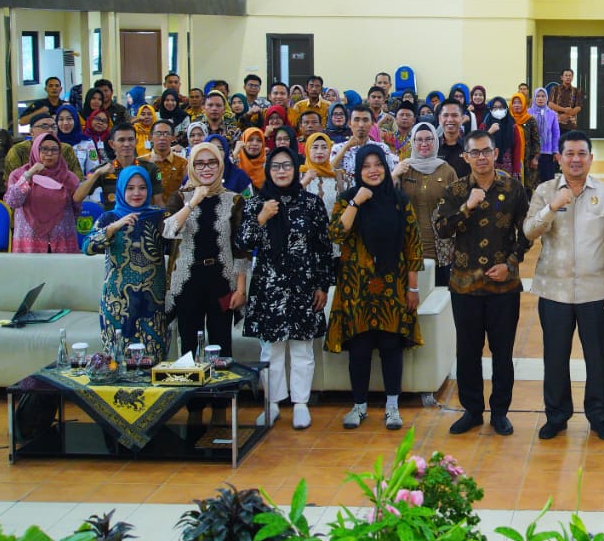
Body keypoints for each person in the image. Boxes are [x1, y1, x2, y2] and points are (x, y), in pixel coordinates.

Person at [524, 130, 604, 442]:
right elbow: (529, 231)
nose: (576, 159)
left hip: (595, 291)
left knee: (597, 357)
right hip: (554, 290)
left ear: (591, 158)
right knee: (555, 357)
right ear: (559, 158)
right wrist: (552, 207)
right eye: (570, 154)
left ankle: (599, 415)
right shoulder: (545, 191)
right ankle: (556, 416)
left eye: (582, 154)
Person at [432, 130, 531, 436]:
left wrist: (510, 264)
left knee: (502, 353)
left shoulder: (513, 188)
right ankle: (472, 410)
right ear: (465, 157)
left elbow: (527, 233)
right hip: (465, 287)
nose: (481, 157)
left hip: (504, 287)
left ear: (495, 153)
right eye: (474, 152)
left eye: (486, 151)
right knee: (468, 353)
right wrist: (467, 207)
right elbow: (442, 229)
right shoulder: (456, 190)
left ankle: (500, 412)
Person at [328, 145, 423, 431]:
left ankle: (392, 407)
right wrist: (356, 202)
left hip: (392, 285)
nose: (373, 170)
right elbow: (336, 234)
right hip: (356, 287)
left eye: (378, 164)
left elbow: (412, 246)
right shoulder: (346, 199)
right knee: (359, 349)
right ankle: (359, 406)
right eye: (366, 166)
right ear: (358, 170)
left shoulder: (399, 201)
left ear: (385, 166)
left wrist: (413, 288)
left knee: (391, 347)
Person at [237, 145, 332, 430]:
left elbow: (323, 249)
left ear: (295, 169)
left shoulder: (311, 204)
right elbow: (243, 243)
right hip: (269, 287)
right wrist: (262, 217)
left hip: (304, 286)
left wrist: (322, 285)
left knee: (302, 349)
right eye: (276, 166)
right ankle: (273, 404)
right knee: (271, 350)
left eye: (287, 165)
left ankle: (301, 403)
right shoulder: (257, 202)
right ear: (268, 170)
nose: (281, 171)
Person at [162, 142, 250, 420]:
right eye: (199, 163)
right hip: (187, 280)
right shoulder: (180, 197)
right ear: (191, 166)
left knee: (221, 343)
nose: (206, 168)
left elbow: (240, 248)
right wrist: (193, 201)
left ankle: (221, 409)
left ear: (220, 165)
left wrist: (241, 288)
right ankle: (194, 409)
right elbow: (168, 231)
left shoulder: (234, 200)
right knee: (188, 342)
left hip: (221, 280)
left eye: (211, 162)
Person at [83, 166, 169, 362]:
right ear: (121, 190)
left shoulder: (159, 217)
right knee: (118, 364)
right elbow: (87, 247)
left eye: (142, 188)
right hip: (117, 304)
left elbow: (177, 244)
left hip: (153, 304)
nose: (136, 193)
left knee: (153, 363)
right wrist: (114, 227)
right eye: (130, 188)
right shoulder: (109, 218)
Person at [399, 122, 455, 288]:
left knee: (439, 295)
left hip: (440, 248)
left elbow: (457, 209)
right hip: (408, 245)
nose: (424, 144)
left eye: (429, 139)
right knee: (411, 293)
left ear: (436, 141)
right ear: (413, 142)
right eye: (419, 140)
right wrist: (394, 175)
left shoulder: (447, 171)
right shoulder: (404, 169)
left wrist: (455, 243)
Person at [3, 134, 81, 253]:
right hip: (30, 240)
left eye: (54, 150)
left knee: (63, 265)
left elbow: (77, 208)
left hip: (61, 239)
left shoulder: (69, 178)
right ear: (35, 150)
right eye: (44, 149)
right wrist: (29, 175)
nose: (49, 153)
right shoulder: (19, 175)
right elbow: (13, 201)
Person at [78, 122, 163, 212]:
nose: (126, 144)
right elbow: (77, 197)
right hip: (113, 219)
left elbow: (158, 202)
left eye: (130, 139)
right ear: (112, 144)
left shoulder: (150, 168)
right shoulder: (103, 169)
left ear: (136, 142)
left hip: (142, 217)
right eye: (121, 140)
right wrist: (96, 174)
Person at [331, 106, 400, 192]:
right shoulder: (338, 148)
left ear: (372, 124)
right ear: (349, 123)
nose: (361, 125)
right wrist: (346, 147)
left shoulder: (382, 148)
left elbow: (390, 175)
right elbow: (329, 171)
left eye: (365, 120)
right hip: (346, 197)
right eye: (356, 120)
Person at [3, 112, 83, 180]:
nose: (50, 130)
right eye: (44, 126)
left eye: (54, 127)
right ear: (31, 132)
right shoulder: (19, 150)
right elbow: (12, 181)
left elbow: (77, 178)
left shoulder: (65, 149)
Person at [141, 120, 188, 201]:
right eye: (158, 133)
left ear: (173, 138)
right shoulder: (141, 162)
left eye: (166, 134)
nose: (162, 138)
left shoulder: (182, 163)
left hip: (174, 208)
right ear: (150, 137)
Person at [55, 103, 99, 175]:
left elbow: (93, 169)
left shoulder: (87, 142)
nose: (65, 123)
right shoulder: (53, 142)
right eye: (61, 119)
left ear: (75, 120)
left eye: (69, 119)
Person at [529, 87, 560, 184]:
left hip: (547, 152)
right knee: (533, 181)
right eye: (538, 96)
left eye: (543, 96)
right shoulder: (528, 113)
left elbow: (556, 134)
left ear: (547, 98)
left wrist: (555, 151)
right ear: (534, 98)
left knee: (548, 181)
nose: (540, 98)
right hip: (531, 152)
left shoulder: (552, 114)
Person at [510, 92, 539, 192]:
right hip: (512, 158)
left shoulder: (530, 120)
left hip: (527, 158)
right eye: (514, 102)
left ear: (524, 104)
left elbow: (536, 140)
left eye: (519, 102)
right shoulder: (509, 119)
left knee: (527, 186)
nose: (517, 105)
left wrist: (535, 158)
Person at [484, 96, 519, 176]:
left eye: (501, 107)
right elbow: (479, 143)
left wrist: (516, 169)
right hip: (488, 166)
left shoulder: (513, 126)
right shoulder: (485, 125)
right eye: (495, 108)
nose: (498, 110)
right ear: (490, 109)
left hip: (508, 167)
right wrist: (490, 132)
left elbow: (517, 149)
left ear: (506, 109)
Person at [436, 99, 470, 177]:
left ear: (462, 118)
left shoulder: (469, 147)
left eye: (455, 115)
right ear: (440, 119)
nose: (450, 119)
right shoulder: (432, 146)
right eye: (445, 115)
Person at [548, 68, 583, 134]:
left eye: (570, 75)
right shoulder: (555, 89)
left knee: (569, 140)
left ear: (572, 77)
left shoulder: (577, 91)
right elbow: (550, 104)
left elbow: (578, 107)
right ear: (562, 77)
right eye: (566, 75)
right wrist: (564, 110)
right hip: (556, 121)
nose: (568, 77)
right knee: (556, 140)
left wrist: (567, 115)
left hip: (570, 123)